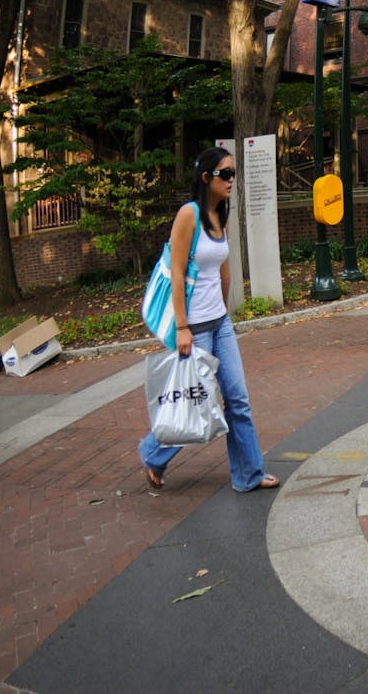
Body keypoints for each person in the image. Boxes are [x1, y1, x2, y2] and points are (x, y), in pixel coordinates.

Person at [139, 147, 280, 493]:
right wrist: (183, 327)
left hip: (220, 324)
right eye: (226, 174)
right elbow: (176, 271)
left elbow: (223, 269)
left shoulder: (221, 215)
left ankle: (249, 473)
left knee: (238, 399)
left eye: (234, 173)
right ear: (206, 178)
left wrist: (226, 312)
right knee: (197, 404)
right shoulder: (189, 215)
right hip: (195, 329)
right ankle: (152, 453)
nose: (232, 180)